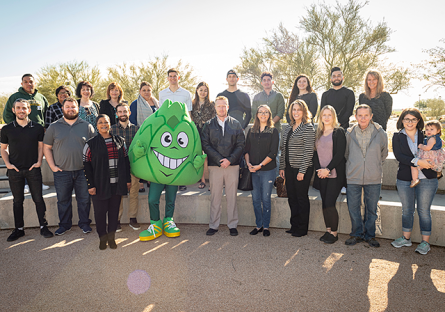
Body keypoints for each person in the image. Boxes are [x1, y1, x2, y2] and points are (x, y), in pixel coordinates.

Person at [1, 99, 53, 242]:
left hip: (33, 169)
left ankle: (43, 226)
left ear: (29, 110)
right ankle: (19, 229)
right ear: (14, 110)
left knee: (38, 199)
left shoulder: (37, 127)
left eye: (24, 108)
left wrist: (38, 162)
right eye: (18, 108)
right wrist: (8, 164)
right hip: (15, 170)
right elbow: (3, 149)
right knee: (18, 201)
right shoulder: (7, 129)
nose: (21, 110)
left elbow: (41, 147)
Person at [43, 97, 96, 235]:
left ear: (78, 109)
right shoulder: (54, 127)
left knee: (84, 199)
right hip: (61, 171)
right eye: (68, 107)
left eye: (73, 107)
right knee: (63, 200)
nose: (70, 109)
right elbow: (47, 147)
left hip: (82, 171)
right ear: (63, 108)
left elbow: (94, 148)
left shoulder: (87, 126)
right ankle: (64, 225)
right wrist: (52, 166)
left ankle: (84, 223)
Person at [391, 108, 439, 255]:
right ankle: (406, 238)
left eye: (413, 119)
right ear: (402, 120)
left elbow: (437, 149)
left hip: (428, 179)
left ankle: (425, 242)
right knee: (407, 210)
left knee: (424, 211)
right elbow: (399, 156)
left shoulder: (426, 135)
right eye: (407, 119)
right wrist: (418, 161)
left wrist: (432, 163)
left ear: (418, 121)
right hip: (405, 178)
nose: (410, 122)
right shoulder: (397, 136)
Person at [83, 114, 131, 250]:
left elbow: (126, 161)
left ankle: (111, 238)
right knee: (100, 213)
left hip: (116, 184)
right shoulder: (90, 144)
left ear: (110, 124)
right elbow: (86, 165)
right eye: (100, 122)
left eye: (106, 122)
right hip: (99, 185)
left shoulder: (120, 141)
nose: (104, 124)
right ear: (96, 125)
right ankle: (102, 238)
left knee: (114, 213)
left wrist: (127, 180)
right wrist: (90, 185)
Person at [344, 104, 388, 247]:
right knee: (353, 207)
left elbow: (384, 153)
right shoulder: (349, 133)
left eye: (366, 115)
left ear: (371, 116)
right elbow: (346, 153)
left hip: (373, 176)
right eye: (360, 115)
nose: (363, 118)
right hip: (353, 176)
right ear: (355, 116)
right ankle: (356, 234)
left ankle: (370, 235)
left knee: (371, 208)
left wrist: (372, 165)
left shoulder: (380, 132)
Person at [202, 96, 245, 236]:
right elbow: (205, 145)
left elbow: (241, 145)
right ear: (215, 107)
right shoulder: (208, 125)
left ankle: (232, 225)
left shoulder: (236, 124)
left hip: (232, 166)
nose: (221, 108)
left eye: (224, 106)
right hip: (215, 166)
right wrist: (220, 159)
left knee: (232, 196)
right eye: (219, 106)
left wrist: (230, 160)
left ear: (228, 106)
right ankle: (213, 225)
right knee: (215, 196)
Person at [279, 100, 315, 237]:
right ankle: (294, 225)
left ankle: (302, 228)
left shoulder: (308, 127)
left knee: (301, 198)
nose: (296, 112)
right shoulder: (288, 127)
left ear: (304, 111)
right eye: (294, 110)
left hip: (302, 168)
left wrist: (302, 171)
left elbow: (309, 152)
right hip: (289, 168)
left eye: (299, 110)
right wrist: (282, 167)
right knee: (292, 198)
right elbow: (284, 149)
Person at [313, 105, 346, 244]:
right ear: (320, 117)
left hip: (334, 174)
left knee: (330, 203)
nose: (326, 117)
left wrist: (328, 169)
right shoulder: (318, 132)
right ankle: (328, 230)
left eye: (329, 115)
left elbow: (340, 154)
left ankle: (334, 233)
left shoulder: (339, 132)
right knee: (324, 203)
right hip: (322, 174)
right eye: (324, 115)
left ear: (333, 117)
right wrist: (320, 170)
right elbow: (315, 153)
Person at [244, 105, 279, 237]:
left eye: (266, 112)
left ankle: (266, 226)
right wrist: (248, 163)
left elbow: (273, 152)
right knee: (255, 199)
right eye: (260, 112)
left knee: (266, 198)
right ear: (257, 114)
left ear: (269, 115)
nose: (263, 114)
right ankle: (258, 225)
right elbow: (246, 149)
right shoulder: (251, 130)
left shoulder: (273, 131)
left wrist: (260, 165)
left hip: (268, 170)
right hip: (252, 170)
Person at [320, 66, 355, 195]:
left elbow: (349, 111)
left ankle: (343, 184)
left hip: (342, 129)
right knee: (329, 155)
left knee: (341, 156)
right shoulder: (326, 94)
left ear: (342, 77)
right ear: (330, 79)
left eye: (338, 75)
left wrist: (337, 124)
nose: (336, 78)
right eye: (334, 76)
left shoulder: (349, 93)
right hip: (327, 129)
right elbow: (322, 111)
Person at [159, 68, 193, 191]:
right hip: (167, 128)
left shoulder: (186, 94)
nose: (173, 78)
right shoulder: (162, 94)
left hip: (181, 128)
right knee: (167, 152)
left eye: (175, 76)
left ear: (178, 78)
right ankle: (166, 180)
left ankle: (181, 180)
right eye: (170, 76)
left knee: (180, 152)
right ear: (168, 78)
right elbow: (161, 112)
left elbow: (189, 113)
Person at [110, 103, 140, 232]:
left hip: (133, 166)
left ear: (129, 113)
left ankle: (133, 218)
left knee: (133, 193)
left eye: (125, 111)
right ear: (117, 114)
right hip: (117, 167)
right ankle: (116, 220)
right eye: (120, 112)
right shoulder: (111, 130)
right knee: (118, 194)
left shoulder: (136, 129)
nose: (122, 114)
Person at [190, 82, 216, 189]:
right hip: (196, 131)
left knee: (209, 155)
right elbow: (189, 117)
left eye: (205, 90)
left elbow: (215, 118)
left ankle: (212, 182)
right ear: (197, 90)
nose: (203, 92)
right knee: (199, 155)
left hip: (208, 131)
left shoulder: (211, 104)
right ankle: (202, 180)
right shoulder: (192, 104)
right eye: (201, 90)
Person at [411, 120, 445, 187]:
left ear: (438, 130)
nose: (429, 131)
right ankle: (438, 172)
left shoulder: (432, 138)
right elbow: (442, 143)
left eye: (431, 129)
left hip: (428, 158)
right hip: (435, 158)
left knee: (414, 166)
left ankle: (415, 179)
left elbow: (428, 148)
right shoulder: (438, 138)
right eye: (427, 129)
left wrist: (421, 146)